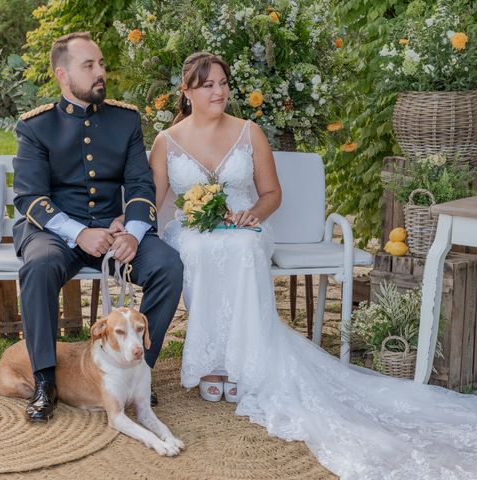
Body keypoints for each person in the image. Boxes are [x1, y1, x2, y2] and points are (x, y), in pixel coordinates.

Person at [150, 51, 477, 479]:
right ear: (187, 91)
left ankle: (243, 364)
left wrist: (253, 217)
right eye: (208, 84)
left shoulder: (250, 132)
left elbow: (271, 194)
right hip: (192, 231)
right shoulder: (166, 141)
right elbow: (154, 202)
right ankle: (212, 363)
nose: (219, 91)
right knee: (199, 250)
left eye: (224, 83)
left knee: (243, 250)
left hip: (247, 226)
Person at [13, 32, 183, 422]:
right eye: (89, 66)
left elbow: (141, 184)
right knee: (37, 267)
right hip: (54, 234)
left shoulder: (124, 120)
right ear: (62, 74)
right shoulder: (36, 127)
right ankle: (45, 381)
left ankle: (140, 372)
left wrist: (135, 233)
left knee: (168, 266)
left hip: (115, 233)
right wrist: (78, 232)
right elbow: (29, 198)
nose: (100, 72)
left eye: (101, 64)